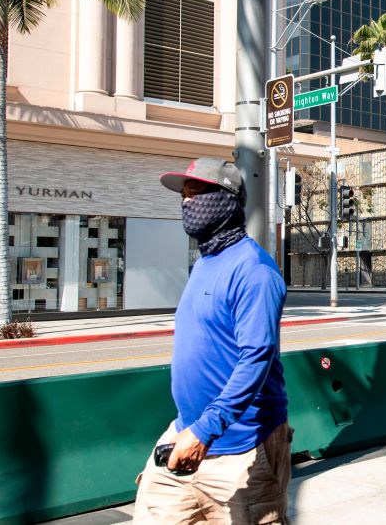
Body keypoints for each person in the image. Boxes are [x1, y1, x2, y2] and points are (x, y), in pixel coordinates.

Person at [134, 157, 291, 524]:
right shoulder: (205, 262)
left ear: (225, 199)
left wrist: (206, 431)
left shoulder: (254, 270)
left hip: (243, 447)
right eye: (184, 196)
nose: (187, 203)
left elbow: (256, 357)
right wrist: (193, 429)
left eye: (196, 193)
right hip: (185, 431)